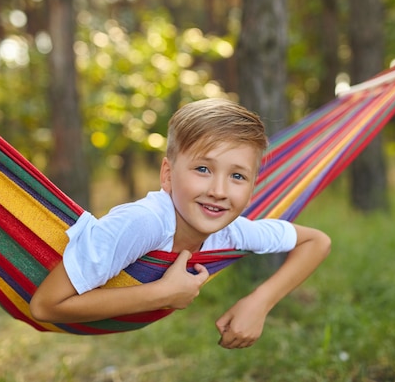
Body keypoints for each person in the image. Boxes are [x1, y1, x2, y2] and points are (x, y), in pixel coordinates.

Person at [30, 98, 331, 349]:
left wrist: (260, 303)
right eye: (203, 169)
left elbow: (317, 242)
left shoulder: (231, 232)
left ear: (253, 188)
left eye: (237, 176)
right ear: (168, 175)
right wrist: (163, 295)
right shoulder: (141, 224)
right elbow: (45, 306)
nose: (219, 191)